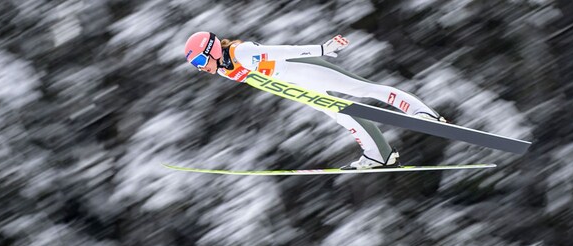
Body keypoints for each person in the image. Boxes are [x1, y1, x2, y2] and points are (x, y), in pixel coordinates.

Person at [184, 32, 446, 169]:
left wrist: (322, 49)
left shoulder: (241, 51)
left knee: (361, 89)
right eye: (195, 65)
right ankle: (381, 155)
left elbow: (283, 51)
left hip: (305, 68)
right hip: (296, 86)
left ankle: (422, 113)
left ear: (212, 50)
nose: (200, 67)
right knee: (342, 115)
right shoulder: (222, 69)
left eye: (198, 61)